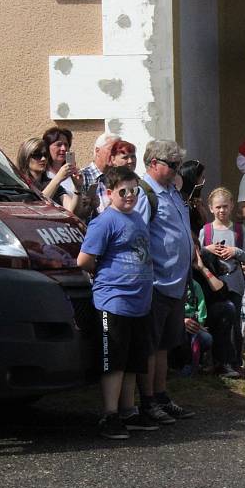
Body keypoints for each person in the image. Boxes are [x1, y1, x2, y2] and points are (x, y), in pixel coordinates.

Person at [76, 167, 156, 439]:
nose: (130, 196)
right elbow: (84, 260)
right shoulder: (105, 221)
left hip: (139, 301)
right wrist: (106, 277)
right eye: (124, 191)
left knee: (133, 359)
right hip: (114, 300)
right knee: (115, 360)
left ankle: (128, 410)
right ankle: (110, 414)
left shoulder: (136, 218)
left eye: (134, 190)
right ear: (109, 194)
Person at [134, 140, 196, 424]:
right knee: (149, 346)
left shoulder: (172, 192)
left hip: (176, 281)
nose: (175, 171)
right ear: (153, 163)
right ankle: (147, 401)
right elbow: (138, 236)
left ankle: (160, 395)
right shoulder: (145, 194)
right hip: (156, 283)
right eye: (171, 165)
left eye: (177, 165)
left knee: (163, 345)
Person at [200, 187, 245, 377]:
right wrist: (208, 249)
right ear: (211, 208)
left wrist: (235, 252)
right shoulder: (206, 230)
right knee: (216, 319)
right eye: (218, 207)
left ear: (231, 207)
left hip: (234, 280)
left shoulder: (238, 230)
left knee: (234, 321)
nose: (222, 211)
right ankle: (215, 360)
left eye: (225, 207)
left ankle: (234, 361)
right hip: (214, 281)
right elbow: (198, 254)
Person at [15, 137, 80, 213]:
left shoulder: (49, 182)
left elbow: (71, 210)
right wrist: (58, 179)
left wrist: (78, 188)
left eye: (45, 155)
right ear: (26, 157)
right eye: (37, 155)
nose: (43, 159)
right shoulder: (19, 183)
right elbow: (35, 208)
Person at [177, 159, 207, 236]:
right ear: (193, 178)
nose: (204, 181)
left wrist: (199, 207)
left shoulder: (196, 197)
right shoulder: (179, 198)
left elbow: (204, 222)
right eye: (202, 177)